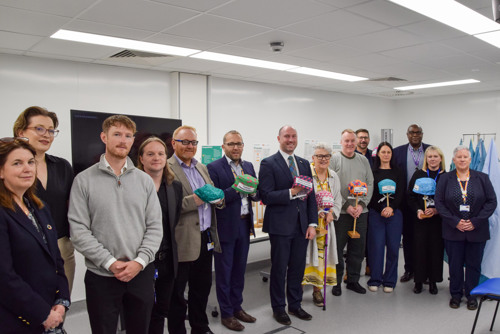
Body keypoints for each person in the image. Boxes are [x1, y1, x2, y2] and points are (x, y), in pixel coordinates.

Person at [68, 115, 162, 334]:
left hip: (140, 272)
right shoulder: (83, 180)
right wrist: (109, 262)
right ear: (104, 137)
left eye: (128, 136)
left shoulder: (144, 180)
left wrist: (139, 261)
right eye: (117, 134)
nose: (123, 140)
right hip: (101, 277)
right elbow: (79, 231)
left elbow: (155, 226)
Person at [0, 137, 70, 333]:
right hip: (18, 319)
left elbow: (56, 260)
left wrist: (62, 300)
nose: (28, 168)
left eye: (31, 162)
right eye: (17, 163)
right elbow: (4, 277)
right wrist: (42, 313)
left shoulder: (40, 208)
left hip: (51, 312)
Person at [259, 125, 317, 326]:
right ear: (279, 138)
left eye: (294, 136)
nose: (291, 140)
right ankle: (278, 308)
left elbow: (311, 197)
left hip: (302, 226)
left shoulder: (303, 163)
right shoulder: (268, 163)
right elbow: (265, 195)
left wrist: (312, 223)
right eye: (287, 136)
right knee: (279, 269)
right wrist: (291, 192)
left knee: (297, 268)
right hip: (280, 226)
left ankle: (295, 304)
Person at [13, 106, 75, 294]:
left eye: (51, 130)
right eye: (39, 128)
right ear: (21, 131)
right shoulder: (8, 167)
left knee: (60, 308)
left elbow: (73, 207)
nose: (46, 135)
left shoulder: (62, 166)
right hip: (23, 249)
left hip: (61, 248)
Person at [167, 125, 222, 334]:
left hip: (206, 237)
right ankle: (177, 330)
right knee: (178, 293)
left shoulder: (201, 167)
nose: (190, 146)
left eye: (193, 142)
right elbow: (168, 206)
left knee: (202, 287)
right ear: (174, 143)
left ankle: (200, 327)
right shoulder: (167, 168)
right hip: (183, 241)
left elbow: (212, 194)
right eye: (185, 142)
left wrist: (219, 199)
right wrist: (197, 199)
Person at [207, 130, 259, 331]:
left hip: (245, 224)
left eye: (239, 143)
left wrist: (253, 190)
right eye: (231, 144)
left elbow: (255, 193)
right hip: (225, 227)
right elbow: (216, 198)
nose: (235, 147)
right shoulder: (213, 168)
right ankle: (226, 313)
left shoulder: (248, 166)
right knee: (224, 272)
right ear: (223, 147)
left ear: (243, 146)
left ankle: (237, 307)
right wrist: (238, 187)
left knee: (239, 271)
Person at [435, 145, 496, 310]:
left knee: (474, 265)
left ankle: (472, 295)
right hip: (453, 230)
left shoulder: (482, 178)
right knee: (454, 265)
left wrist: (475, 221)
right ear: (454, 160)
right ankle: (455, 294)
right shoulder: (445, 178)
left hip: (477, 230)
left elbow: (492, 202)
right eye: (459, 157)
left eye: (465, 157)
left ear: (470, 160)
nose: (462, 159)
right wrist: (455, 221)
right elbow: (439, 203)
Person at [137, 137, 183, 334]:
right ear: (141, 158)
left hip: (166, 261)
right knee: (139, 313)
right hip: (141, 261)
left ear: (166, 157)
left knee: (160, 311)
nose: (156, 158)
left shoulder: (175, 188)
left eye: (161, 153)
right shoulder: (132, 187)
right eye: (150, 154)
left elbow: (173, 222)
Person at [329, 129, 374, 296]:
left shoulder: (363, 160)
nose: (349, 144)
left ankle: (353, 280)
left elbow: (370, 183)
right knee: (338, 250)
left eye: (352, 141)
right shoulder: (334, 159)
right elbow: (332, 185)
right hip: (341, 213)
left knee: (358, 249)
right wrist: (347, 206)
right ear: (341, 142)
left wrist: (361, 205)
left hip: (361, 213)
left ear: (356, 142)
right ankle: (337, 282)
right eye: (346, 141)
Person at [303, 143, 341, 307]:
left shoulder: (333, 176)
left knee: (322, 257)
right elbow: (302, 197)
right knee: (305, 257)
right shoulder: (306, 175)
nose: (323, 159)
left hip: (326, 224)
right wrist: (315, 211)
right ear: (313, 158)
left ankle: (317, 290)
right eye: (319, 156)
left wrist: (333, 213)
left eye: (326, 156)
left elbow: (338, 198)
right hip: (309, 223)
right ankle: (297, 289)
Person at [393, 124, 431, 283]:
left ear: (422, 134)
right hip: (406, 202)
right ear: (407, 134)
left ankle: (426, 271)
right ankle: (409, 269)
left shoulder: (431, 150)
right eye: (412, 133)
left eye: (418, 133)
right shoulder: (398, 152)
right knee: (408, 237)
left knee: (426, 238)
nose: (415, 135)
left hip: (427, 203)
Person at [408, 146, 446, 295]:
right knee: (419, 250)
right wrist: (418, 210)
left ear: (441, 158)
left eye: (436, 156)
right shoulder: (418, 174)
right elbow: (410, 196)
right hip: (420, 221)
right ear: (426, 159)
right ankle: (418, 281)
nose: (432, 159)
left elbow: (448, 200)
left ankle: (433, 281)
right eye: (429, 157)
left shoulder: (446, 176)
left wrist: (437, 210)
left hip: (438, 221)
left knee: (435, 251)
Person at [366, 142, 403, 293]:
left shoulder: (398, 172)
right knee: (376, 247)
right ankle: (375, 279)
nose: (386, 155)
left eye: (388, 152)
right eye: (383, 152)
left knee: (394, 248)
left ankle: (390, 280)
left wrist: (391, 207)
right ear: (378, 154)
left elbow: (400, 194)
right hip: (376, 213)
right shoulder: (372, 172)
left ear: (391, 154)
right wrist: (381, 208)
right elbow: (371, 194)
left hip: (394, 214)